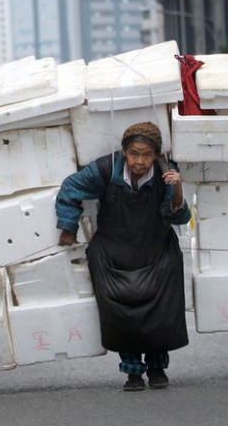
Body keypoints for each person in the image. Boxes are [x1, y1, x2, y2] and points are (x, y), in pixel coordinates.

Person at [55, 121, 190, 391]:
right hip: (112, 256)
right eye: (134, 154)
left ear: (156, 155)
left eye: (147, 155)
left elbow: (179, 216)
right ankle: (133, 373)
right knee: (120, 316)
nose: (140, 161)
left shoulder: (166, 175)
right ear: (124, 152)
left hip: (156, 252)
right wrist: (68, 228)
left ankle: (157, 367)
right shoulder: (106, 169)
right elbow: (70, 189)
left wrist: (177, 190)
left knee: (159, 314)